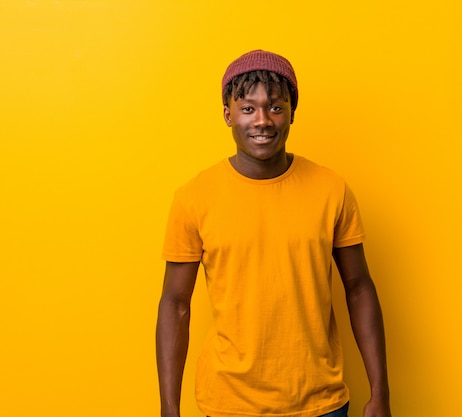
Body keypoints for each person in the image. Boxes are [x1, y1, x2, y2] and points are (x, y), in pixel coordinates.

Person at [156, 50, 392, 417]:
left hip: (321, 403)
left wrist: (380, 393)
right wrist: (168, 408)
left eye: (276, 107)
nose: (262, 120)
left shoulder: (331, 189)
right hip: (228, 405)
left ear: (292, 113)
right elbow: (175, 304)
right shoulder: (194, 198)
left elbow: (359, 287)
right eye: (248, 108)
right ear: (227, 115)